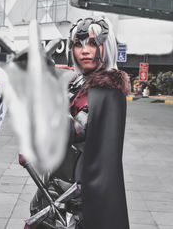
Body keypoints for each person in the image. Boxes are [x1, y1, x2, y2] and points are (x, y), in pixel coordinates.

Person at [29, 16, 130, 229]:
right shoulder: (77, 82)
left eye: (93, 43)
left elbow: (78, 132)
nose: (84, 50)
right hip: (55, 183)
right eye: (78, 44)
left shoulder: (109, 91)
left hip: (80, 193)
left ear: (106, 46)